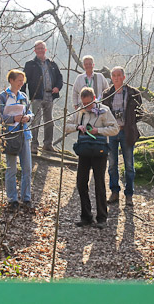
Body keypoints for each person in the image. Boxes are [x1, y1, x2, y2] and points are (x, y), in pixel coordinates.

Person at [66, 87, 119, 229]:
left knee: (99, 183)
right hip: (84, 151)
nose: (87, 107)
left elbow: (115, 129)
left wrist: (98, 131)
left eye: (89, 103)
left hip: (99, 151)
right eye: (84, 104)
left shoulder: (104, 110)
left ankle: (102, 217)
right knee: (81, 183)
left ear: (94, 98)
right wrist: (78, 127)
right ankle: (86, 216)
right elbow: (66, 125)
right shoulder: (80, 112)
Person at [0, 69, 34, 211]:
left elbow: (29, 112)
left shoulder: (23, 96)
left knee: (27, 168)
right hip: (9, 136)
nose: (21, 83)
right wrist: (12, 119)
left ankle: (26, 198)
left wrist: (28, 117)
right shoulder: (3, 97)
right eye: (19, 81)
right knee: (11, 169)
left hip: (25, 135)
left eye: (23, 81)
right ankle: (12, 200)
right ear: (11, 81)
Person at [102, 66, 143, 206]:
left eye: (119, 75)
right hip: (112, 133)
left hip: (127, 132)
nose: (116, 78)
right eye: (114, 75)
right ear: (111, 78)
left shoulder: (133, 93)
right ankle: (114, 192)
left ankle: (129, 194)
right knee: (112, 164)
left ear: (124, 77)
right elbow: (103, 113)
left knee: (129, 165)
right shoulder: (107, 93)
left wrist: (130, 123)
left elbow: (140, 113)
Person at [22, 40, 63, 154]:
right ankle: (34, 145)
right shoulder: (30, 64)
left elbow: (60, 78)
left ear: (45, 50)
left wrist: (57, 88)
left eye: (42, 48)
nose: (40, 50)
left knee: (49, 121)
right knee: (35, 121)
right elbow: (23, 81)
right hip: (36, 97)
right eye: (38, 49)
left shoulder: (52, 64)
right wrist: (23, 96)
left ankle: (48, 145)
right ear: (35, 50)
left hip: (50, 96)